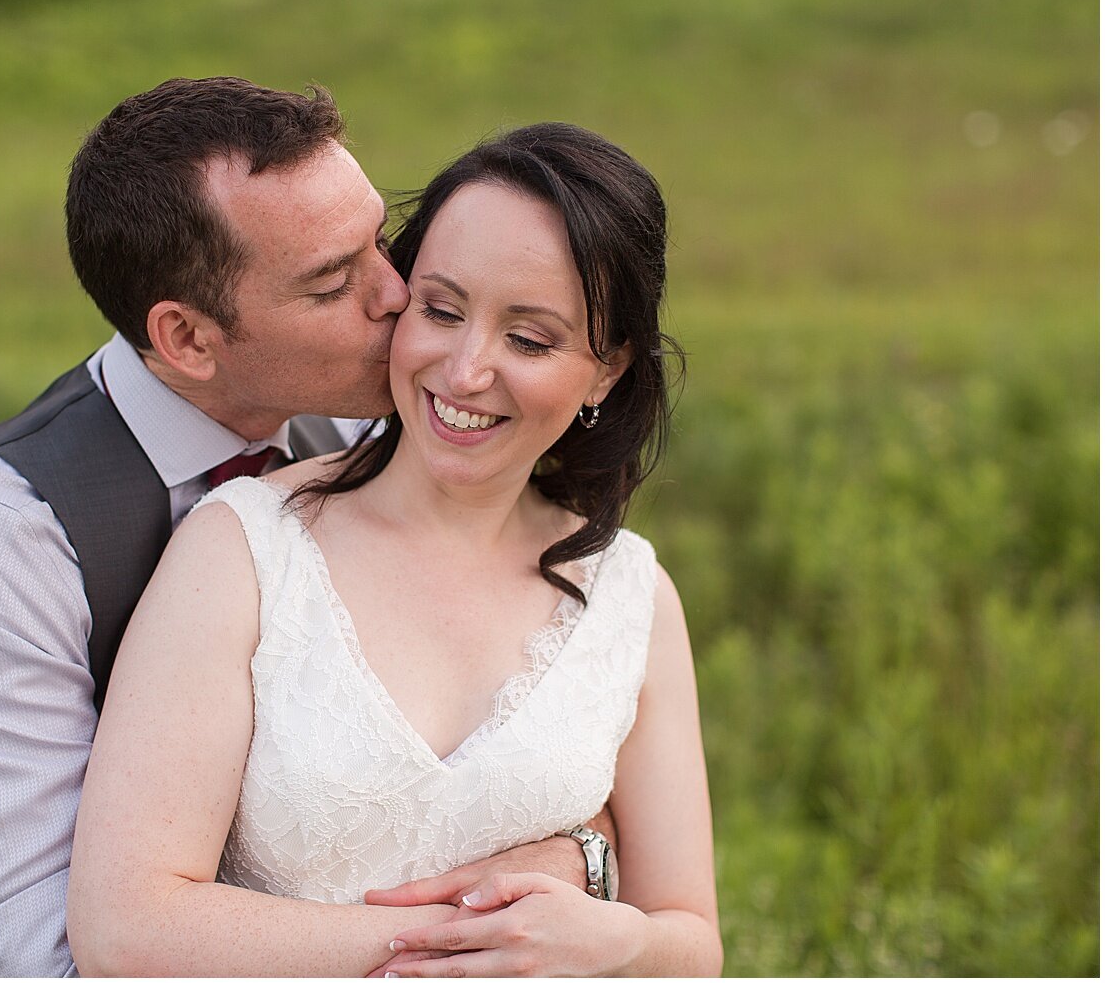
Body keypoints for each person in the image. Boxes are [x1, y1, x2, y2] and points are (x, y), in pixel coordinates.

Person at [0, 78, 619, 978]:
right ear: (188, 339)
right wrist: (458, 945)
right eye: (332, 281)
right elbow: (55, 952)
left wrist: (571, 852)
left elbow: (564, 703)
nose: (397, 294)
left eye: (378, 243)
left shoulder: (397, 426)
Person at [66, 122, 721, 977]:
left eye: (529, 339)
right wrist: (469, 943)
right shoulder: (243, 551)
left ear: (606, 370)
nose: (465, 369)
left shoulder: (630, 594)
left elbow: (692, 940)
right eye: (440, 310)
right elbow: (126, 928)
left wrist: (618, 936)